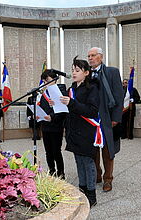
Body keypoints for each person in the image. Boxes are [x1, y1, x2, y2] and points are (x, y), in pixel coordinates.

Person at [60, 56, 100, 207]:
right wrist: (56, 104)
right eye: (72, 70)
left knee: (88, 162)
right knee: (78, 161)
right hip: (73, 130)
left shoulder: (92, 89)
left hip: (86, 131)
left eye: (77, 70)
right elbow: (69, 109)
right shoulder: (71, 89)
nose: (74, 73)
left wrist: (72, 103)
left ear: (86, 73)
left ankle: (91, 194)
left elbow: (92, 111)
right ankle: (82, 191)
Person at [87, 47, 124, 192]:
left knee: (108, 150)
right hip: (92, 119)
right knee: (93, 150)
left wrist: (115, 118)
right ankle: (97, 174)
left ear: (101, 57)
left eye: (93, 55)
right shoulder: (87, 74)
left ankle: (108, 179)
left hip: (108, 118)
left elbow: (119, 95)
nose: (90, 58)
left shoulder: (112, 72)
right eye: (88, 56)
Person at [39, 69, 67, 178]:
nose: (45, 82)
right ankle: (52, 171)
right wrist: (38, 114)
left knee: (56, 151)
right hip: (45, 127)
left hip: (56, 126)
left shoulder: (61, 91)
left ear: (54, 79)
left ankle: (61, 173)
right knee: (48, 152)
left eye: (47, 79)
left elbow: (63, 111)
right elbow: (42, 107)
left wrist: (52, 117)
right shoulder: (44, 94)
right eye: (44, 80)